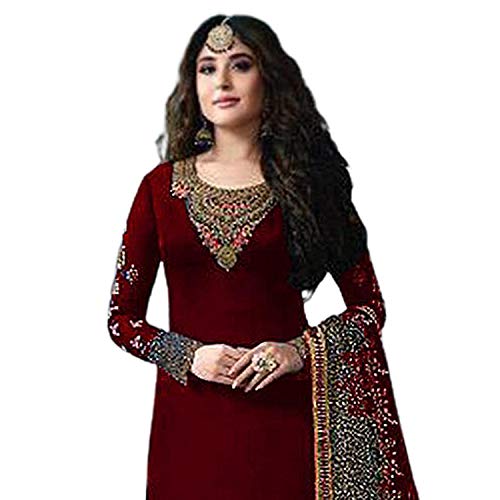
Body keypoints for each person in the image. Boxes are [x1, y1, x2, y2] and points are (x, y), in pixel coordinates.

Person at [107, 14, 419, 499]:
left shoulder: (309, 185)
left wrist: (297, 352)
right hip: (189, 429)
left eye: (240, 65)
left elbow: (369, 309)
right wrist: (189, 356)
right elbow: (121, 320)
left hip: (290, 426)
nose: (222, 81)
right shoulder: (159, 189)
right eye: (207, 68)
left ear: (269, 77)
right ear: (193, 84)